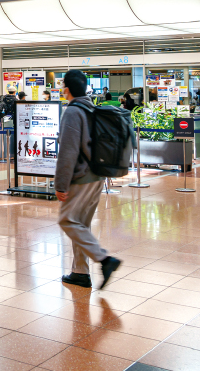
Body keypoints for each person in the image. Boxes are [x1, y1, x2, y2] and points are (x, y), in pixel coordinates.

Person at [54, 69, 122, 289]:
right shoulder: (91, 107)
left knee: (67, 220)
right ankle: (80, 272)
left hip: (82, 177)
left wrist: (61, 185)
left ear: (67, 89)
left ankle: (104, 259)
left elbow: (67, 152)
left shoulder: (73, 111)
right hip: (98, 175)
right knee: (81, 224)